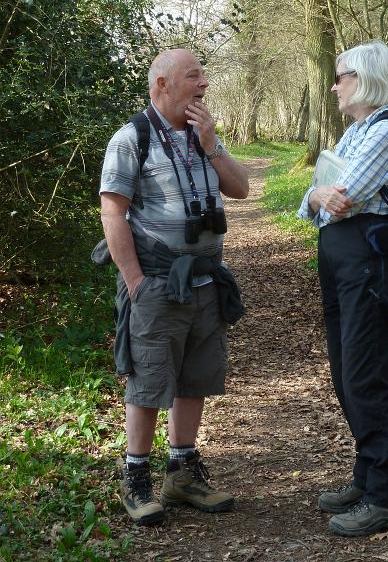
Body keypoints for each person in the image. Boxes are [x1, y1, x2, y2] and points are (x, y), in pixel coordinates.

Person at [99, 48, 249, 526]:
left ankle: (182, 473)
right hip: (158, 284)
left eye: (203, 76)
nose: (203, 84)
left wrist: (212, 145)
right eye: (194, 76)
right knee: (148, 380)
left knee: (195, 377)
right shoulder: (132, 138)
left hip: (207, 280)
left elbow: (241, 188)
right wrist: (136, 282)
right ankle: (136, 478)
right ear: (162, 83)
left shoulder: (204, 136)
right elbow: (113, 211)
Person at [298, 40, 388, 538]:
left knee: (365, 377)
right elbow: (314, 198)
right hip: (344, 263)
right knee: (347, 374)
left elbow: (339, 198)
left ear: (365, 79)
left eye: (340, 75)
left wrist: (322, 195)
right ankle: (368, 478)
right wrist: (317, 194)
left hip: (368, 266)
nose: (334, 85)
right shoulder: (358, 131)